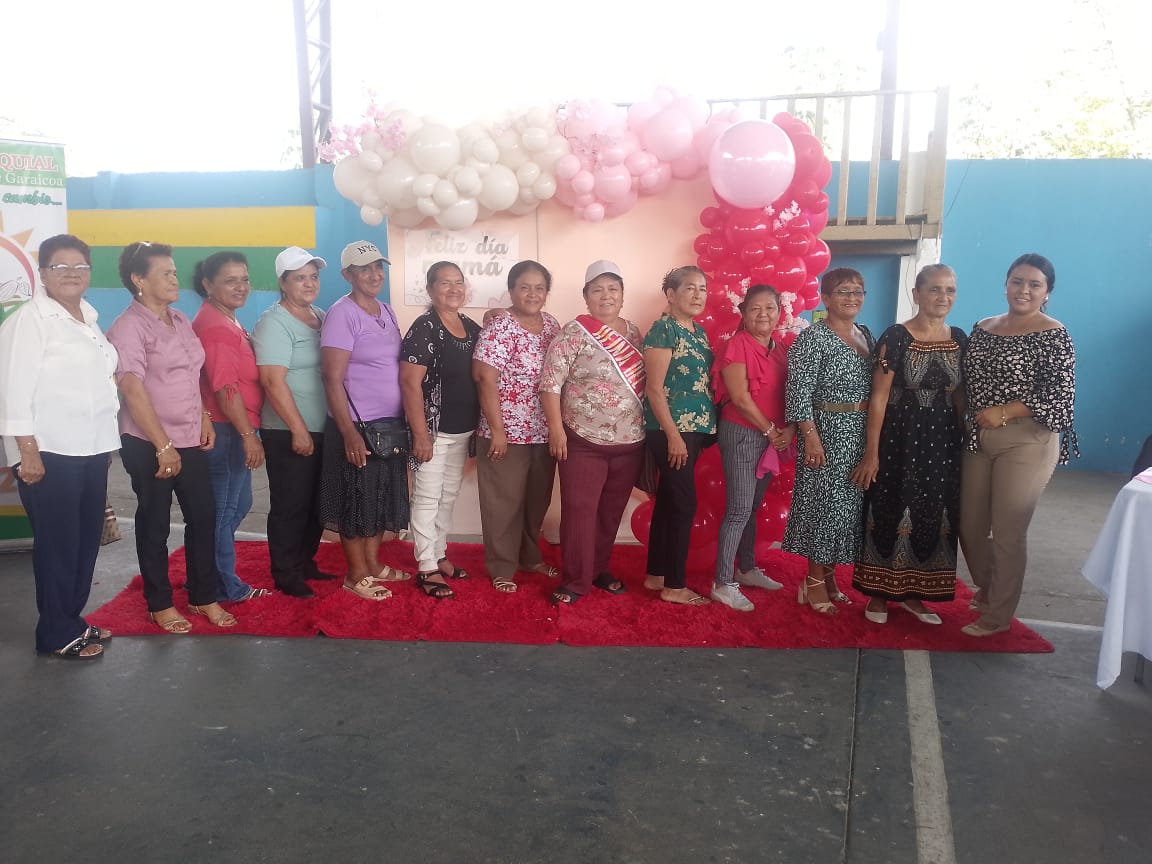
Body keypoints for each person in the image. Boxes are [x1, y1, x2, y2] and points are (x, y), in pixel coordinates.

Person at [106, 241, 237, 631]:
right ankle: (159, 603)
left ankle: (203, 596)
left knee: (203, 515)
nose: (175, 279)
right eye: (165, 273)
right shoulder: (128, 327)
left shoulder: (179, 319)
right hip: (148, 441)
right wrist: (163, 445)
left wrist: (204, 416)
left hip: (188, 436)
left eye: (174, 272)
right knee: (155, 522)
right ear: (138, 279)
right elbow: (132, 389)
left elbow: (190, 375)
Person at [0, 234, 120, 659]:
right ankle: (54, 632)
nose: (71, 274)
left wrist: (104, 447)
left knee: (85, 541)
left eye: (79, 267)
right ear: (43, 273)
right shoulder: (30, 320)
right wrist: (27, 451)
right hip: (48, 451)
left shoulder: (88, 316)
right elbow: (12, 388)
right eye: (60, 267)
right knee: (59, 544)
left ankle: (71, 618)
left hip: (91, 448)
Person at [958, 253, 1078, 637]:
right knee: (969, 525)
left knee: (1008, 531)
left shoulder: (1054, 334)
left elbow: (1060, 396)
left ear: (1047, 292)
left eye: (1034, 284)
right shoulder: (983, 327)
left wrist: (1005, 411)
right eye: (1017, 281)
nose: (1024, 290)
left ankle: (997, 614)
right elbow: (965, 380)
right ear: (1006, 284)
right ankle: (990, 587)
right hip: (977, 435)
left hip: (1027, 440)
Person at [850, 264, 967, 625]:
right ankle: (879, 595)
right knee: (890, 506)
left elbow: (960, 396)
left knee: (933, 509)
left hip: (943, 442)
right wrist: (871, 453)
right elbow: (879, 397)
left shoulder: (960, 338)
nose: (942, 297)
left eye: (949, 290)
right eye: (934, 289)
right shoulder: (897, 336)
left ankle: (917, 595)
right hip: (898, 438)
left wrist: (966, 440)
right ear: (916, 294)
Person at [540, 260, 646, 604]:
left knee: (610, 512)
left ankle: (598, 569)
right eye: (597, 290)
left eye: (613, 289)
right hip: (582, 440)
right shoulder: (573, 333)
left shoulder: (634, 333)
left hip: (630, 441)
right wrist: (556, 430)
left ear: (623, 295)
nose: (606, 295)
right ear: (586, 297)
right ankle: (574, 581)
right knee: (579, 511)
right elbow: (550, 384)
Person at [319, 241, 412, 600]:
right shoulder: (342, 314)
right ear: (347, 275)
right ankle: (355, 574)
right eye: (364, 269)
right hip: (357, 427)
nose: (374, 275)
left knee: (380, 498)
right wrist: (348, 433)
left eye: (377, 267)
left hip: (389, 426)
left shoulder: (386, 310)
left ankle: (372, 564)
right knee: (355, 501)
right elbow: (332, 378)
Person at [783, 268, 875, 616]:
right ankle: (813, 581)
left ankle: (830, 576)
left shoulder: (865, 334)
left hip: (860, 432)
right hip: (826, 432)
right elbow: (798, 392)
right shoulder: (813, 338)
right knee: (824, 508)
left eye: (858, 291)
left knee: (846, 510)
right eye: (843, 291)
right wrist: (811, 437)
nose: (852, 297)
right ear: (825, 299)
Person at [472, 260, 562, 593]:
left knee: (536, 501)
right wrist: (498, 430)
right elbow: (484, 377)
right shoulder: (500, 327)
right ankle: (501, 566)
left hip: (543, 430)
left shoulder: (551, 324)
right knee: (503, 503)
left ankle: (529, 557)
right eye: (525, 287)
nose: (532, 294)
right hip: (505, 433)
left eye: (540, 288)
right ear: (511, 290)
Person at [400, 261, 482, 600]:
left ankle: (439, 553)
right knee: (427, 497)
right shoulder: (425, 327)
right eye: (444, 282)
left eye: (458, 282)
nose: (453, 289)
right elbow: (409, 382)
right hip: (433, 433)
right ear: (430, 289)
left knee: (447, 496)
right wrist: (421, 435)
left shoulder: (471, 326)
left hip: (463, 431)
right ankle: (425, 566)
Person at [191, 251, 270, 604]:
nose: (241, 287)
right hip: (227, 430)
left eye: (245, 279)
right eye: (230, 281)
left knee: (238, 505)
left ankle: (206, 572)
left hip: (234, 428)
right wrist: (248, 436)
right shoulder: (216, 327)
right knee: (223, 512)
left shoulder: (226, 319)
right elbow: (225, 388)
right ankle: (223, 586)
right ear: (208, 285)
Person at [253, 246, 331, 598]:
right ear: (283, 283)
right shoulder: (274, 323)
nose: (309, 283)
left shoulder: (320, 316)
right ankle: (285, 572)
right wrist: (299, 430)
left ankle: (304, 561)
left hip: (322, 426)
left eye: (313, 277)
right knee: (291, 504)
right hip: (288, 430)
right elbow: (272, 382)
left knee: (316, 503)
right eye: (300, 278)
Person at [710, 284, 794, 611]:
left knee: (753, 506)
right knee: (739, 509)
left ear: (779, 312)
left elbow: (789, 395)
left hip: (772, 437)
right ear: (743, 313)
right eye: (755, 308)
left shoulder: (780, 348)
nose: (763, 314)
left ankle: (745, 568)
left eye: (769, 308)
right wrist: (772, 431)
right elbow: (741, 399)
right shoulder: (736, 346)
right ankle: (722, 582)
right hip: (744, 433)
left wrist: (787, 430)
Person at [642, 266, 716, 606]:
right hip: (671, 429)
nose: (698, 295)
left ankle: (656, 574)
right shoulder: (664, 329)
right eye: (690, 288)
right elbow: (654, 389)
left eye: (703, 289)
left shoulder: (699, 332)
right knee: (684, 505)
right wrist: (673, 436)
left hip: (695, 428)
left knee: (670, 502)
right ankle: (675, 585)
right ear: (671, 294)